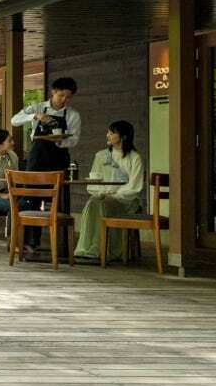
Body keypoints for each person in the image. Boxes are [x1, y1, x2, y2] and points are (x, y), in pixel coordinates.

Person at [11, 77, 82, 257]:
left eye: (68, 97)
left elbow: (74, 140)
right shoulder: (37, 107)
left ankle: (61, 246)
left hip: (59, 160)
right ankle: (30, 243)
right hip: (37, 160)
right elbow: (15, 120)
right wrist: (35, 116)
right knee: (31, 199)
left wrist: (60, 141)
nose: (64, 100)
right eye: (61, 95)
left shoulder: (73, 115)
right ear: (53, 92)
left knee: (60, 200)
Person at [74, 120, 146, 263]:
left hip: (126, 200)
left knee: (104, 205)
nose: (107, 135)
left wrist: (115, 195)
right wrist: (101, 193)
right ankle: (87, 248)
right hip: (104, 196)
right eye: (108, 132)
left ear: (124, 137)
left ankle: (106, 250)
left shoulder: (134, 158)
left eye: (111, 133)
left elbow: (135, 186)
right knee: (92, 203)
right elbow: (93, 181)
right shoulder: (101, 156)